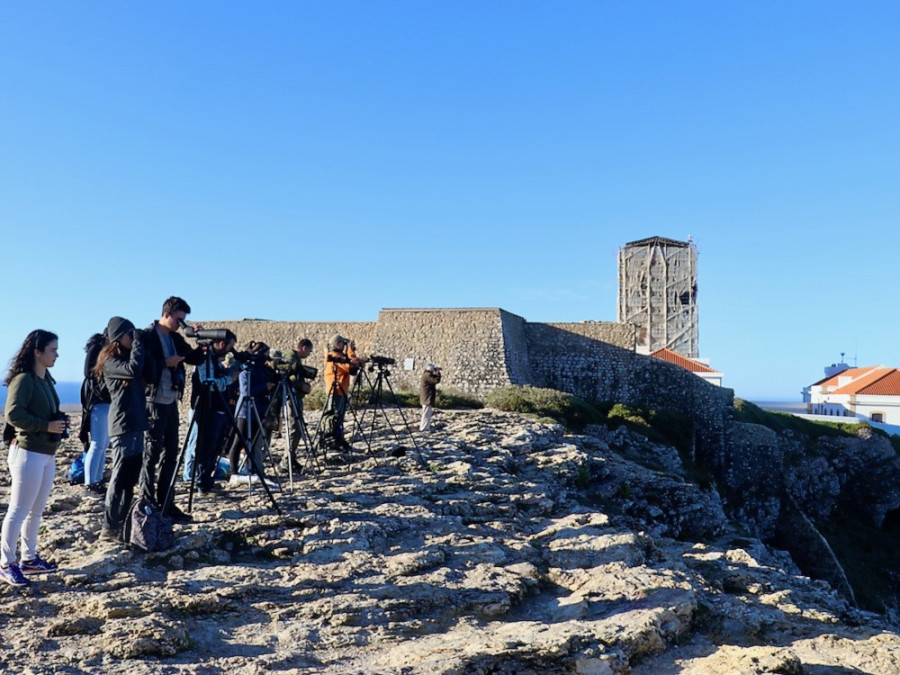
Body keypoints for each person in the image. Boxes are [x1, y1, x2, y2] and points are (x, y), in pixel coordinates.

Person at [1, 330, 64, 586]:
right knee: (18, 510)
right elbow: (13, 415)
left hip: (47, 453)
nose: (57, 355)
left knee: (36, 511)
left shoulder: (46, 379)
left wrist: (58, 422)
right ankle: (6, 563)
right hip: (28, 452)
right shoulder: (24, 379)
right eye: (52, 350)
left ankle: (28, 559)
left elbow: (46, 412)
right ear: (37, 351)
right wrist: (45, 426)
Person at [139, 296, 204, 522]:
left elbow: (195, 359)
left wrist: (201, 341)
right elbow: (141, 366)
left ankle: (167, 502)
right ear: (166, 314)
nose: (180, 323)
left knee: (171, 453)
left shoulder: (176, 338)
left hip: (171, 400)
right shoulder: (146, 336)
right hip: (154, 401)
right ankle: (147, 502)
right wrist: (165, 362)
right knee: (151, 453)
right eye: (178, 319)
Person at [95, 317, 146, 541]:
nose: (132, 339)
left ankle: (123, 520)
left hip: (136, 422)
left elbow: (144, 370)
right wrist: (138, 344)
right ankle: (109, 525)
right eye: (129, 335)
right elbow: (133, 370)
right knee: (119, 475)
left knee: (131, 475)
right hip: (122, 424)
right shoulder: (110, 361)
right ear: (118, 338)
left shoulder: (124, 358)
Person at [190, 330, 238, 493]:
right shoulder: (204, 359)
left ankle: (207, 480)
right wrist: (229, 379)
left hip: (217, 408)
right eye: (229, 347)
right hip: (206, 408)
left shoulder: (215, 361)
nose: (229, 351)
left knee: (216, 446)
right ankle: (201, 482)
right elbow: (207, 383)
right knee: (206, 447)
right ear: (221, 343)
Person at [227, 341, 275, 484]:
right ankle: (234, 473)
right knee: (238, 442)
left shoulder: (262, 370)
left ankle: (253, 471)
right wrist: (265, 386)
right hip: (245, 411)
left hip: (258, 410)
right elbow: (246, 391)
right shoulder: (245, 371)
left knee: (254, 443)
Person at [80, 330, 111, 496]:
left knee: (103, 444)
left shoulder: (107, 348)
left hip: (106, 401)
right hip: (98, 401)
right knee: (98, 443)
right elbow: (88, 373)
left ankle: (97, 480)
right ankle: (90, 483)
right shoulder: (97, 348)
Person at [322, 335, 365, 450]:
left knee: (338, 417)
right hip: (336, 390)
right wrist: (351, 351)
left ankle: (338, 439)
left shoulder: (337, 356)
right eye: (343, 343)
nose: (345, 346)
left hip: (340, 390)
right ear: (337, 344)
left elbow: (355, 365)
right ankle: (331, 440)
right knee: (334, 417)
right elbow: (351, 368)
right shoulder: (335, 356)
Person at [419, 363, 442, 433]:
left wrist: (437, 373)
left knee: (427, 413)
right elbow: (435, 380)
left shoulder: (426, 375)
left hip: (427, 398)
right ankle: (424, 428)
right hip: (427, 398)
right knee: (426, 413)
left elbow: (435, 379)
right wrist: (438, 372)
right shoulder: (427, 375)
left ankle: (426, 427)